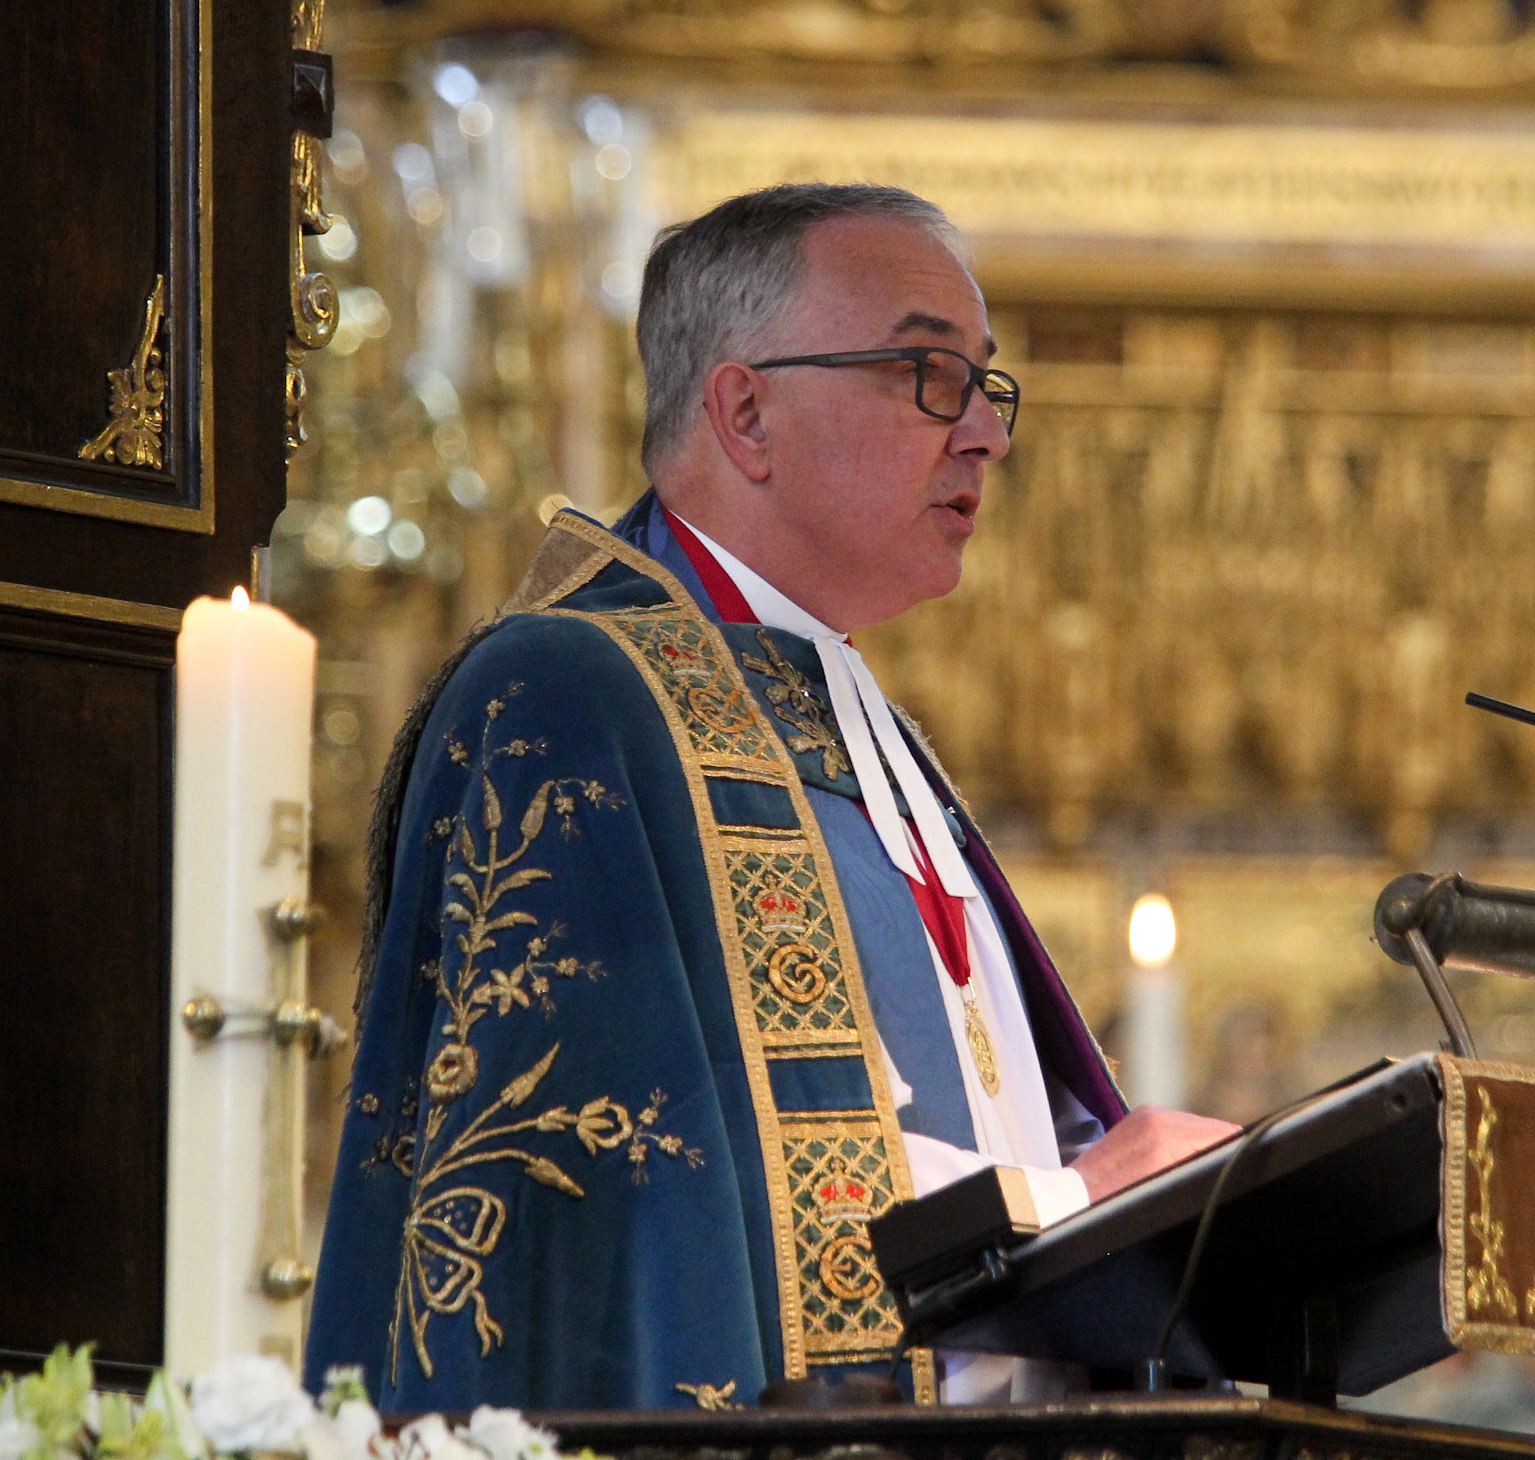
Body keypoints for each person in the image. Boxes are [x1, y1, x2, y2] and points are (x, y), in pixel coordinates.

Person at [306, 184, 1236, 1413]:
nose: (985, 435)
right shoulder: (572, 695)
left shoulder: (847, 712)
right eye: (928, 375)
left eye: (986, 385)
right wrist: (1076, 1202)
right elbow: (622, 1184)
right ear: (746, 412)